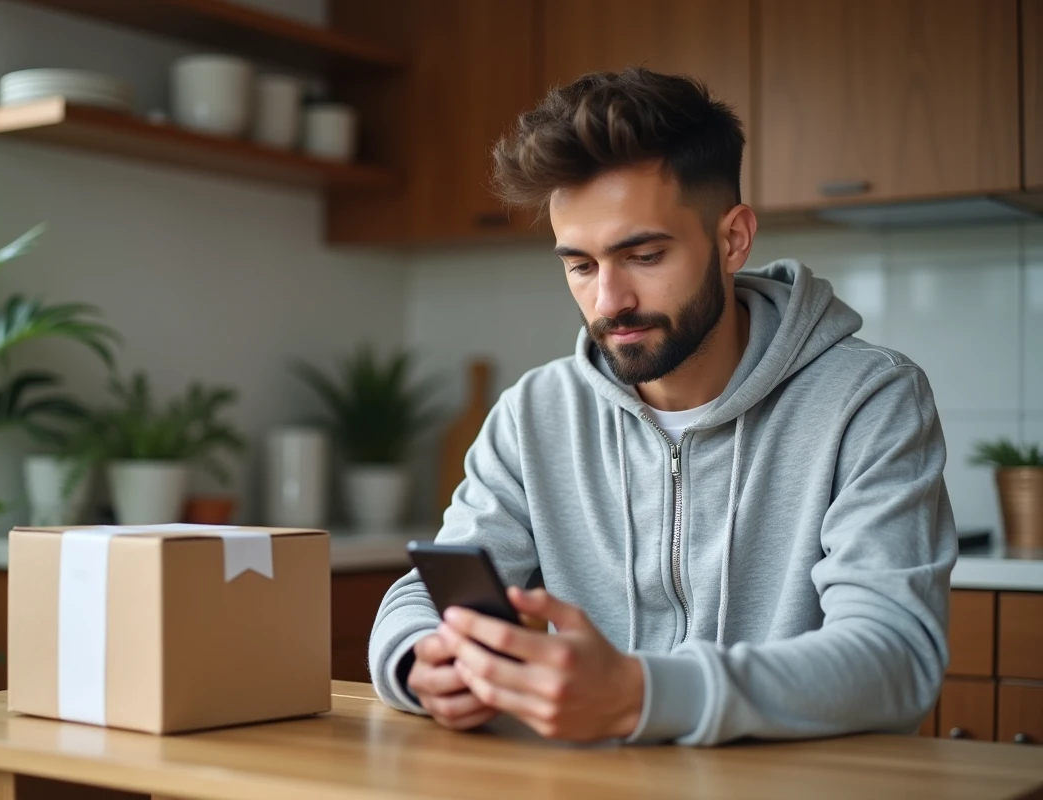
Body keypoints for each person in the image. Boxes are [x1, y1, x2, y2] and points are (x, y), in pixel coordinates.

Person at [368, 66, 956, 746]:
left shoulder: (869, 399)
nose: (608, 301)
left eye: (643, 255)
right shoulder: (534, 413)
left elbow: (894, 659)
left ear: (732, 239)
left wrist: (641, 695)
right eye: (580, 266)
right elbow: (424, 594)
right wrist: (421, 663)